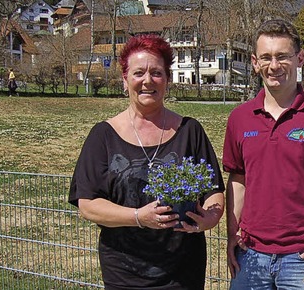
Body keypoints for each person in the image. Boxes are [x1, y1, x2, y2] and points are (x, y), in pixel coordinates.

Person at [68, 34, 225, 290]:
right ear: (125, 80)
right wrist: (139, 217)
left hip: (183, 273)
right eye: (139, 73)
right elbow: (88, 205)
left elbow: (214, 191)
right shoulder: (103, 136)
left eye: (157, 73)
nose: (147, 81)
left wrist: (208, 219)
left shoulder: (189, 130)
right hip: (124, 273)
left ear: (168, 80)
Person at [223, 19, 304, 290]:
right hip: (250, 256)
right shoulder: (239, 118)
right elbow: (238, 181)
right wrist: (231, 235)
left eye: (282, 56)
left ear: (300, 58)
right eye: (266, 57)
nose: (274, 66)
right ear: (254, 62)